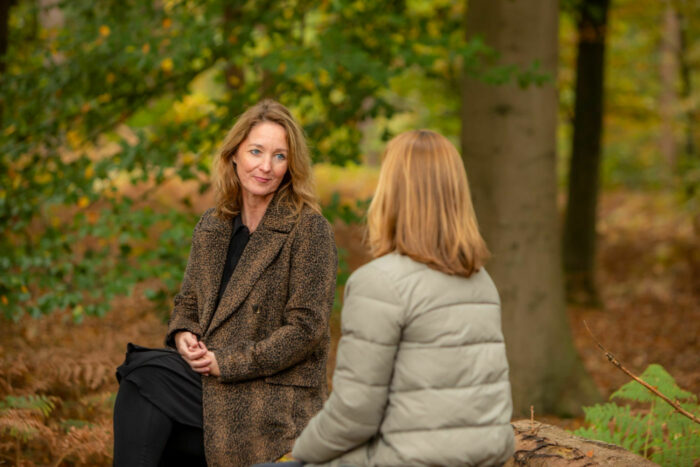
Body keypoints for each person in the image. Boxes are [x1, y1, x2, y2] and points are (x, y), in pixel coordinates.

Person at [113, 99, 338, 467]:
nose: (266, 166)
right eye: (256, 151)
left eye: (279, 156)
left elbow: (305, 330)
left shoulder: (309, 229)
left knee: (143, 375)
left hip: (271, 395)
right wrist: (184, 334)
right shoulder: (213, 225)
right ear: (234, 154)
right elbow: (187, 301)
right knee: (142, 377)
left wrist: (226, 363)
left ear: (291, 166)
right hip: (211, 383)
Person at [289, 130, 515, 466]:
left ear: (391, 193)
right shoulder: (482, 281)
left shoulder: (379, 283)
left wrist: (298, 451)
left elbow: (354, 414)